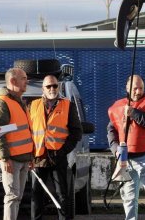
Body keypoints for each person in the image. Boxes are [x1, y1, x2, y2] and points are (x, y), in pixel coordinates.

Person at [107, 75, 145, 220]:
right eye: (134, 88)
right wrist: (115, 149)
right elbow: (111, 130)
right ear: (127, 88)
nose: (138, 91)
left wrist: (133, 112)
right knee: (129, 197)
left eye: (141, 88)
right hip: (127, 159)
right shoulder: (118, 107)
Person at [29, 75, 82, 220]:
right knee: (36, 196)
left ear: (58, 87)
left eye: (55, 86)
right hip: (38, 157)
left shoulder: (67, 105)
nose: (52, 89)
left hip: (58, 157)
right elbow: (27, 131)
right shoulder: (33, 106)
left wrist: (63, 151)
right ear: (43, 89)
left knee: (62, 195)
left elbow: (76, 132)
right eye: (48, 86)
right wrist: (29, 154)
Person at [0, 68, 34, 220]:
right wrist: (5, 158)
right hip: (12, 160)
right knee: (12, 196)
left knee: (17, 197)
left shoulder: (18, 102)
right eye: (23, 78)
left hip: (23, 159)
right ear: (12, 81)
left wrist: (30, 157)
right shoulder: (3, 103)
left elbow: (24, 132)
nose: (27, 81)